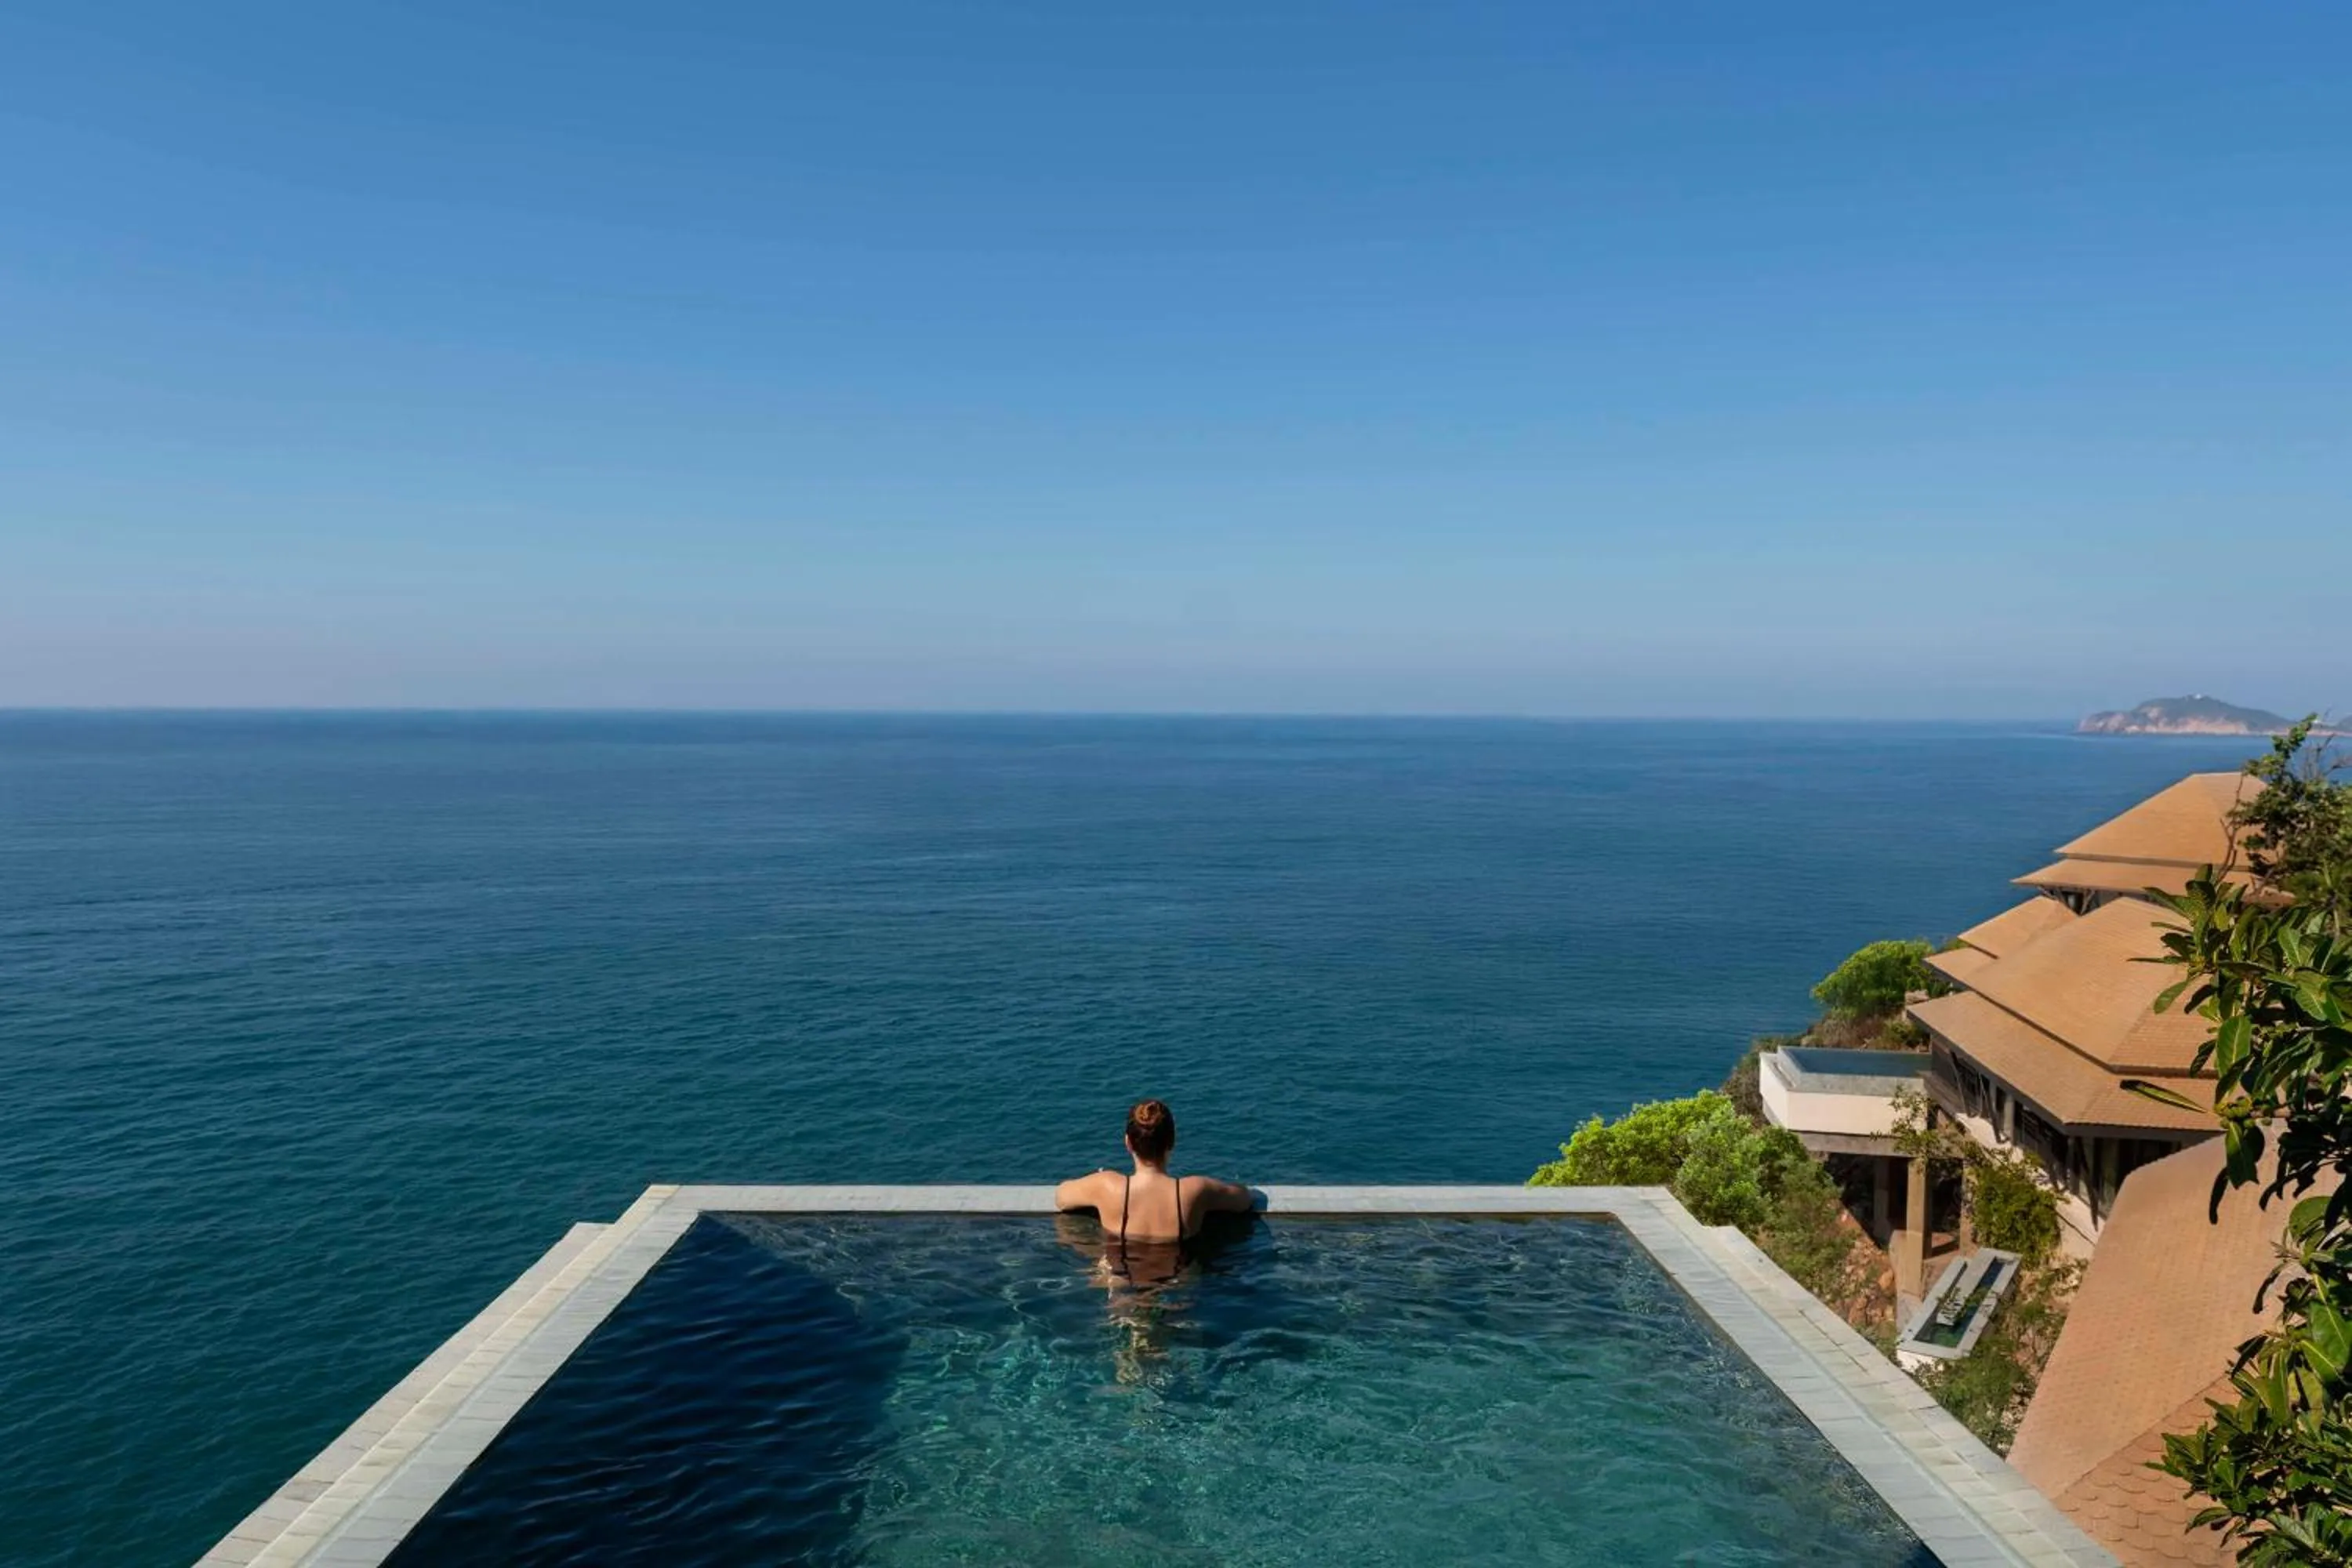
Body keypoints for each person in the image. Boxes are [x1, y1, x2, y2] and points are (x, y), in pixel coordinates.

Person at [1054, 1099, 1254, 1272]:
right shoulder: (1194, 1191)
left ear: (1128, 1143)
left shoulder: (1107, 1186)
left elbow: (1062, 1197)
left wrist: (1094, 1186)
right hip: (1178, 1285)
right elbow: (1243, 1200)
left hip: (1121, 1282)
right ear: (1172, 1142)